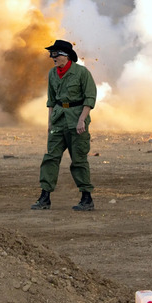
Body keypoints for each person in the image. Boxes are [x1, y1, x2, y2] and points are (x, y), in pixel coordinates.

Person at [31, 40, 97, 211]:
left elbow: (90, 98)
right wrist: (49, 122)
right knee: (51, 158)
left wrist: (82, 119)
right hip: (59, 119)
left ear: (66, 56)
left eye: (55, 54)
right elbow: (51, 100)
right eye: (51, 54)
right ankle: (45, 197)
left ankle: (86, 198)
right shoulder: (52, 74)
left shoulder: (82, 73)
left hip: (76, 119)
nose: (52, 57)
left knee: (79, 159)